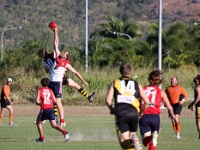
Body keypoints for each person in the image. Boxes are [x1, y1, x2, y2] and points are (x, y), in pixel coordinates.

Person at [38, 26, 95, 126]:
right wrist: (55, 31)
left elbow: (55, 44)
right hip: (57, 80)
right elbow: (56, 43)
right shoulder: (55, 56)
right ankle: (59, 118)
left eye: (66, 53)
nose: (65, 52)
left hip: (57, 79)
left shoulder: (53, 60)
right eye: (65, 52)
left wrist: (55, 31)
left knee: (57, 99)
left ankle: (57, 116)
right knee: (59, 98)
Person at [105, 62, 150, 150]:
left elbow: (108, 100)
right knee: (129, 142)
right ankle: (133, 140)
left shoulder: (115, 83)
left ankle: (133, 141)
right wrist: (141, 112)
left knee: (124, 142)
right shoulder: (137, 84)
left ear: (120, 71)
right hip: (134, 113)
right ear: (131, 72)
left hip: (121, 113)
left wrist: (112, 109)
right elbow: (147, 102)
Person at [139, 70, 175, 150]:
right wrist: (173, 116)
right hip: (155, 117)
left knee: (146, 142)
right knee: (153, 142)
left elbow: (137, 103)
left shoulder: (142, 89)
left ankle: (152, 136)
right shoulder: (161, 92)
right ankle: (153, 136)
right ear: (160, 81)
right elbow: (169, 106)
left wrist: (139, 113)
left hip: (144, 116)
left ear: (149, 79)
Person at [35, 77, 70, 142]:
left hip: (44, 109)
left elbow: (37, 101)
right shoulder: (50, 91)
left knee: (38, 123)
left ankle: (42, 138)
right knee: (54, 125)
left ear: (41, 83)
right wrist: (49, 102)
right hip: (51, 109)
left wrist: (41, 103)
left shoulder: (39, 90)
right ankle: (65, 132)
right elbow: (54, 101)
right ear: (48, 84)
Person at [188, 75, 200, 140]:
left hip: (199, 106)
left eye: (196, 78)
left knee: (198, 121)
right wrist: (191, 104)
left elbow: (198, 97)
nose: (194, 78)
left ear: (198, 80)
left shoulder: (198, 87)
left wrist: (193, 105)